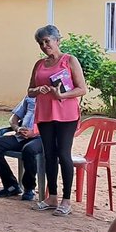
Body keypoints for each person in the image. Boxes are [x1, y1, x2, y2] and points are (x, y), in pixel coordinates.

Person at [28, 25, 87, 216]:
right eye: (41, 43)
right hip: (45, 114)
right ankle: (51, 196)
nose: (45, 46)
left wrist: (62, 95)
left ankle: (66, 200)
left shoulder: (69, 60)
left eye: (47, 41)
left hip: (66, 115)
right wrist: (38, 90)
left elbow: (81, 89)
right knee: (49, 155)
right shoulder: (39, 64)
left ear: (57, 40)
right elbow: (29, 90)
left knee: (63, 154)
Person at [0, 95, 42, 200]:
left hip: (40, 138)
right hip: (21, 136)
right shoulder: (30, 97)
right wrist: (17, 128)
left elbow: (54, 126)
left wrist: (34, 133)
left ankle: (29, 188)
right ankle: (11, 185)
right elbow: (14, 118)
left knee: (28, 150)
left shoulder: (53, 99)